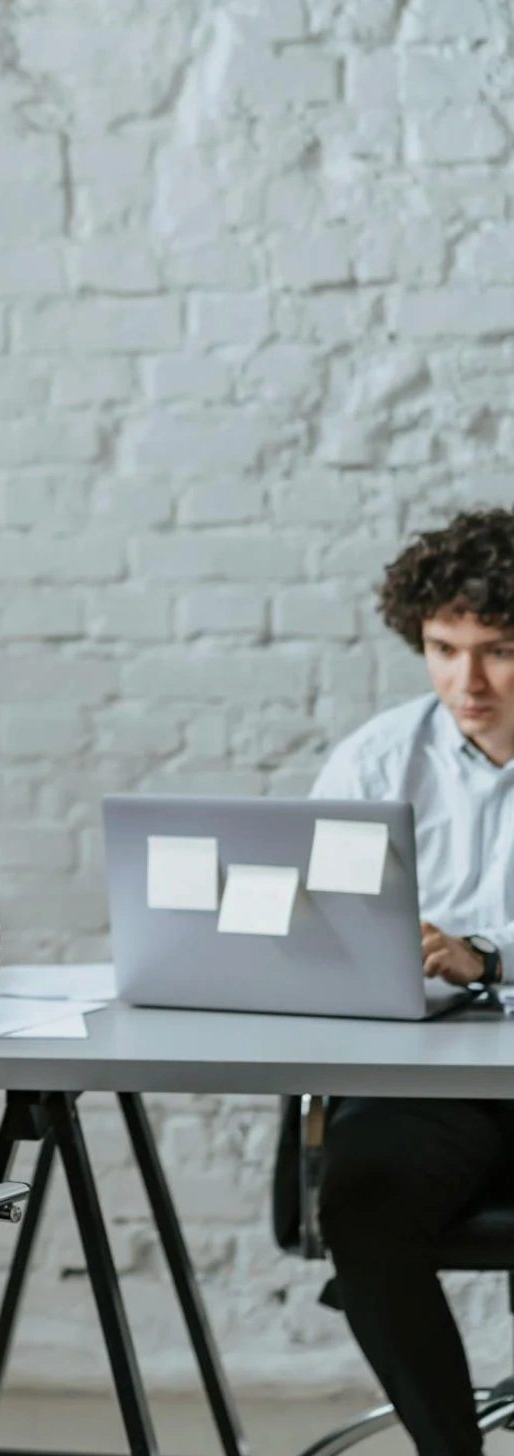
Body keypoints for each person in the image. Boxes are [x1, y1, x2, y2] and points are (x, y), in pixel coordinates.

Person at [310, 508, 514, 1456]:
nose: (466, 682)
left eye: (499, 651)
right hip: (433, 1081)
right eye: (442, 648)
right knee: (364, 1196)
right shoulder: (377, 759)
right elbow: (313, 933)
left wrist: (491, 959)